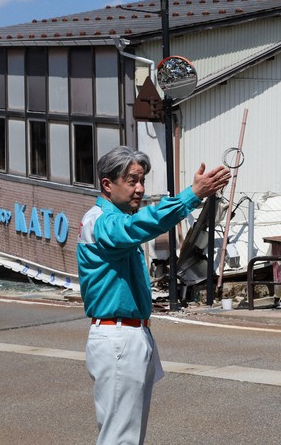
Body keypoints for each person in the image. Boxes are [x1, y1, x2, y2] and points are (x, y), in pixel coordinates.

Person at [77, 146, 230, 445]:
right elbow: (138, 226)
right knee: (121, 438)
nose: (140, 188)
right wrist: (191, 195)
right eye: (132, 180)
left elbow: (136, 226)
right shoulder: (101, 220)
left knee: (126, 436)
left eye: (143, 180)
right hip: (118, 335)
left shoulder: (113, 219)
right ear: (107, 184)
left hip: (127, 333)